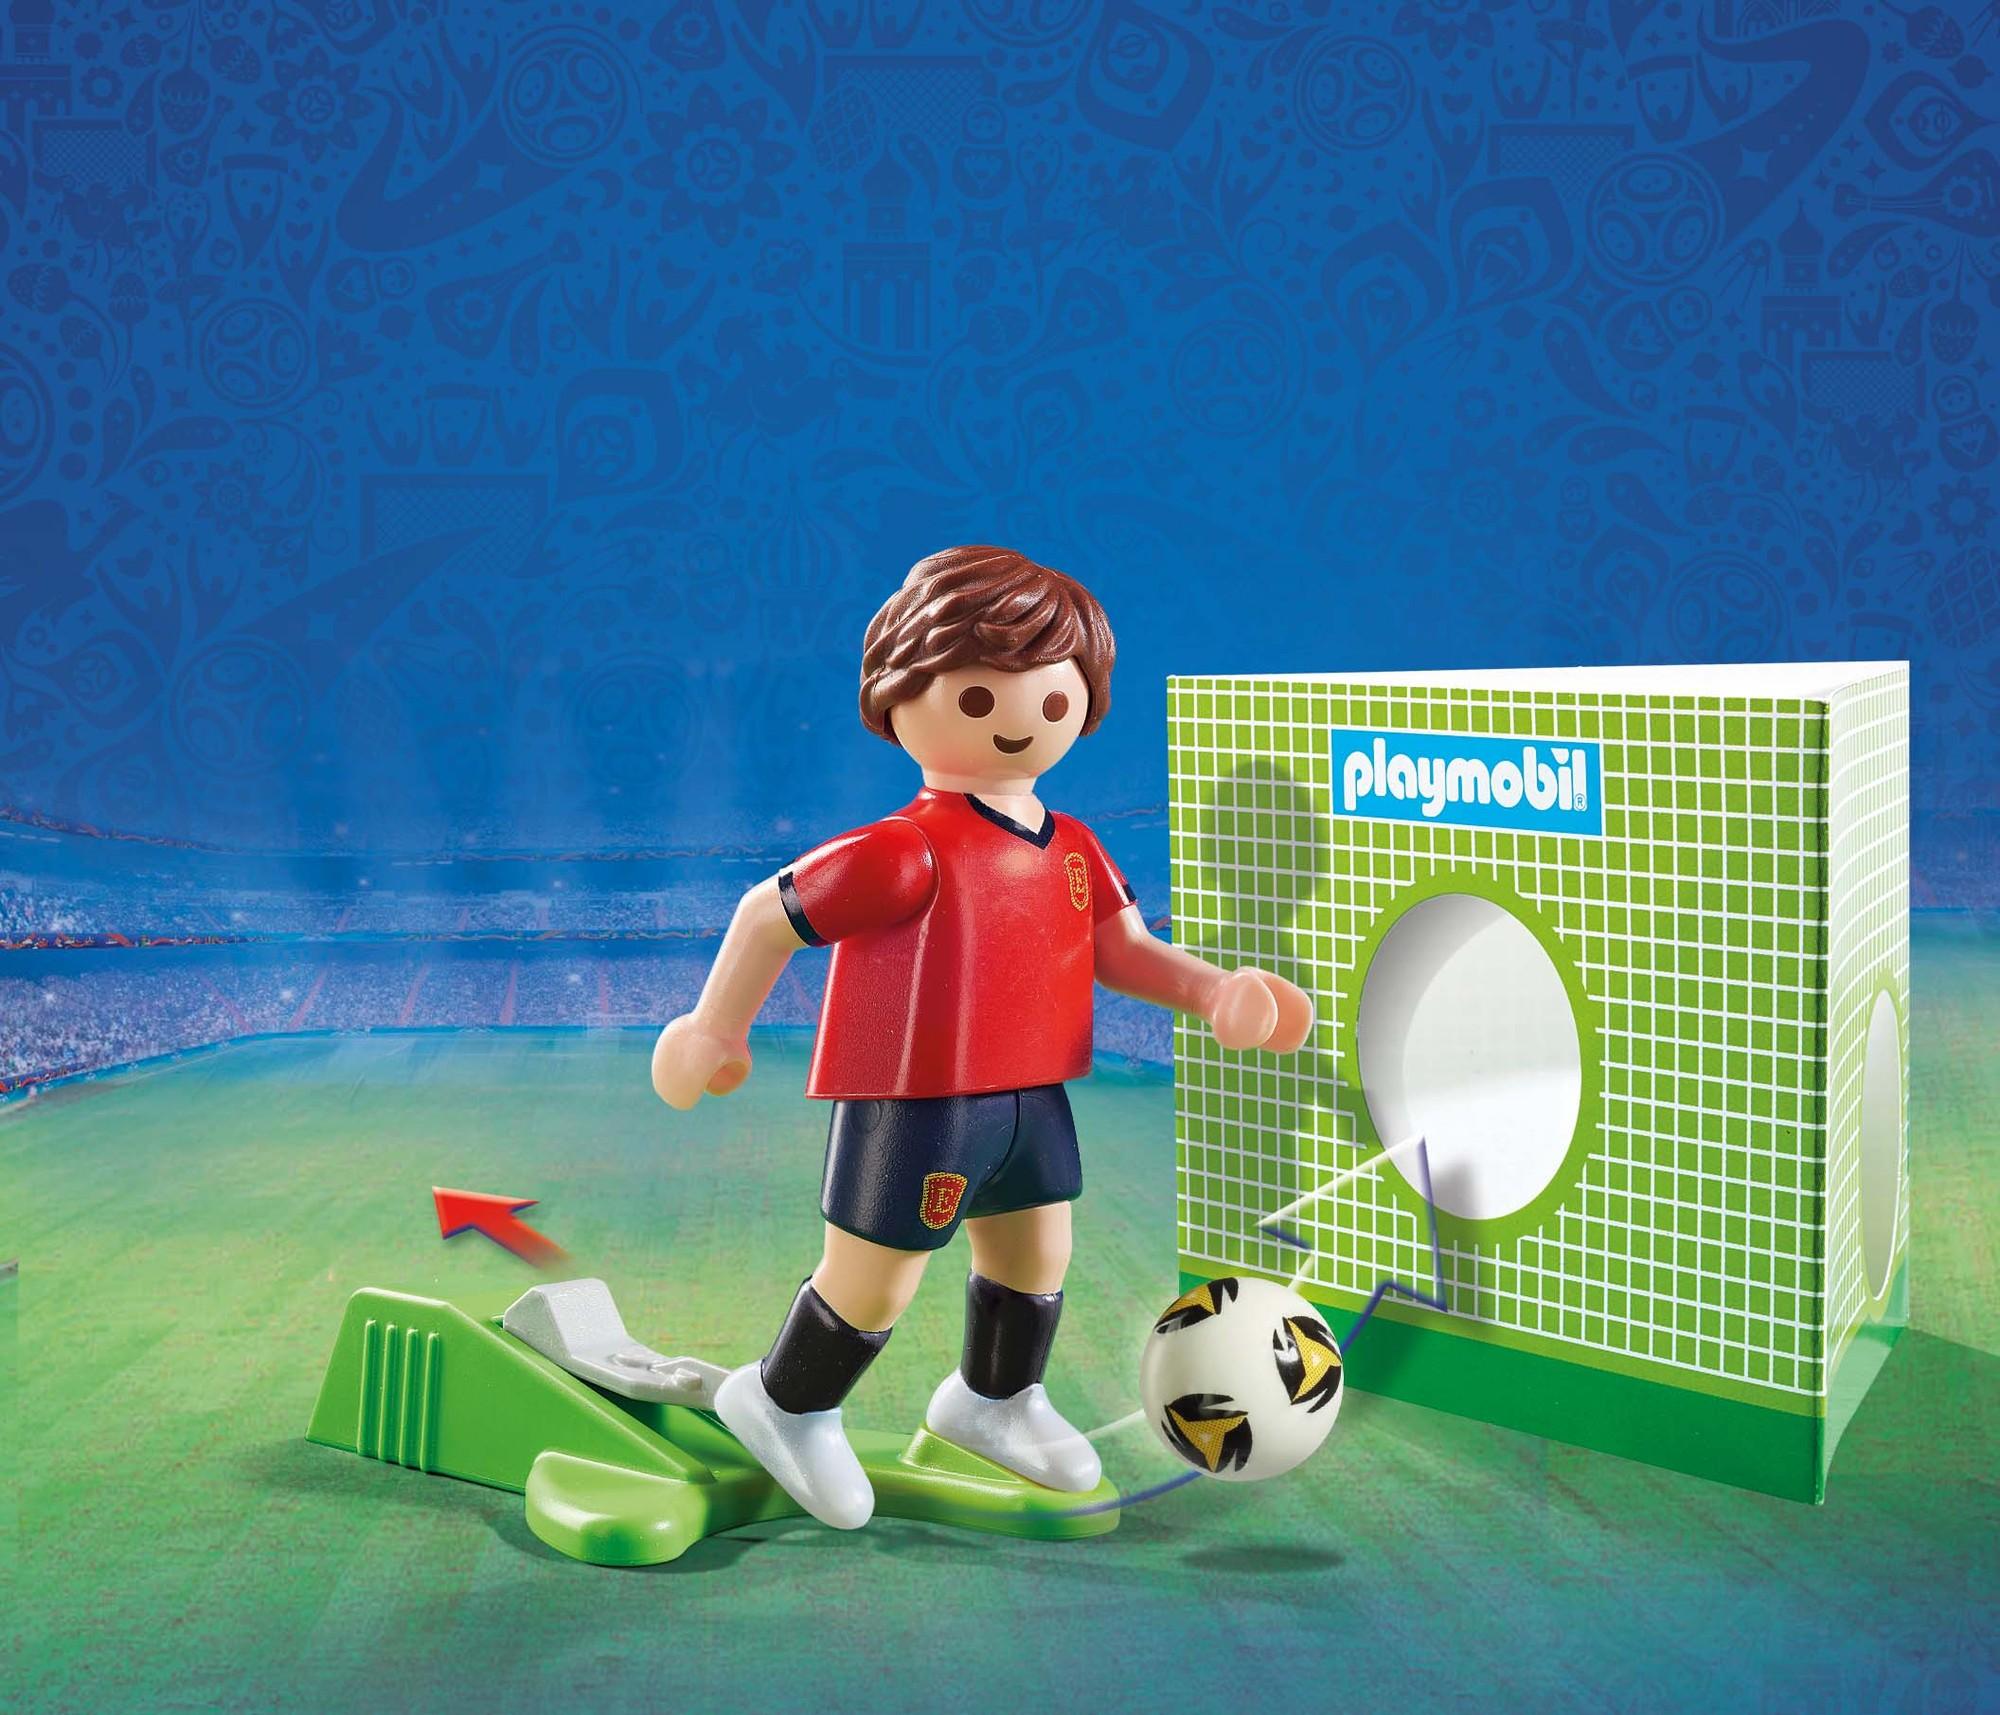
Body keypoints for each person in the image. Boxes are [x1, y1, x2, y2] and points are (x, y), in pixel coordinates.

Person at [650, 545, 1314, 1528]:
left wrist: (1217, 990)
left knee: (1037, 1252)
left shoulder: (1074, 845)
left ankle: (992, 1399)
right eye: (975, 697)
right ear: (896, 697)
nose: (1017, 719)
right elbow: (768, 911)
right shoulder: (903, 850)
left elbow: (1124, 951)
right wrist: (714, 1026)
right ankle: (786, 1400)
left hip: (1030, 1091)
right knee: (875, 1277)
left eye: (1051, 698)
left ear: (1083, 704)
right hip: (914, 1100)